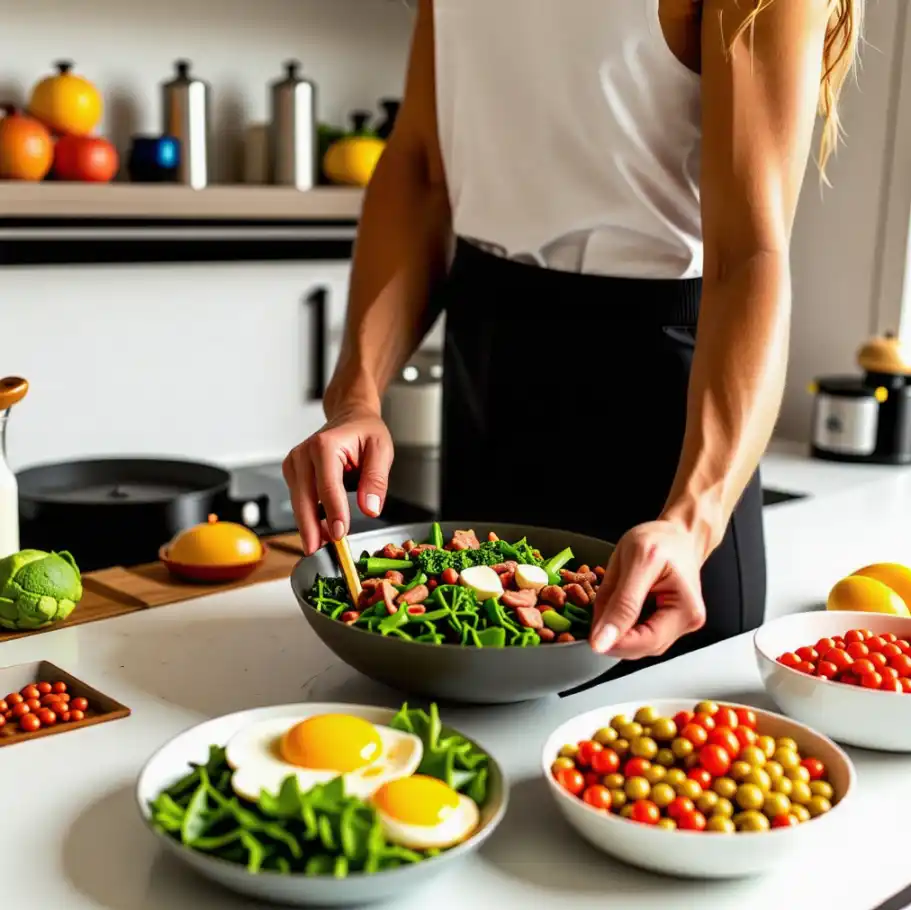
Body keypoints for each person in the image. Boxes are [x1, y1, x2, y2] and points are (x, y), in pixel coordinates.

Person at [283, 0, 863, 679]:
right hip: (488, 373)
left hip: (666, 412)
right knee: (475, 717)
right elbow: (419, 170)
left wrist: (691, 520)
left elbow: (747, 255)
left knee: (662, 740)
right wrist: (355, 397)